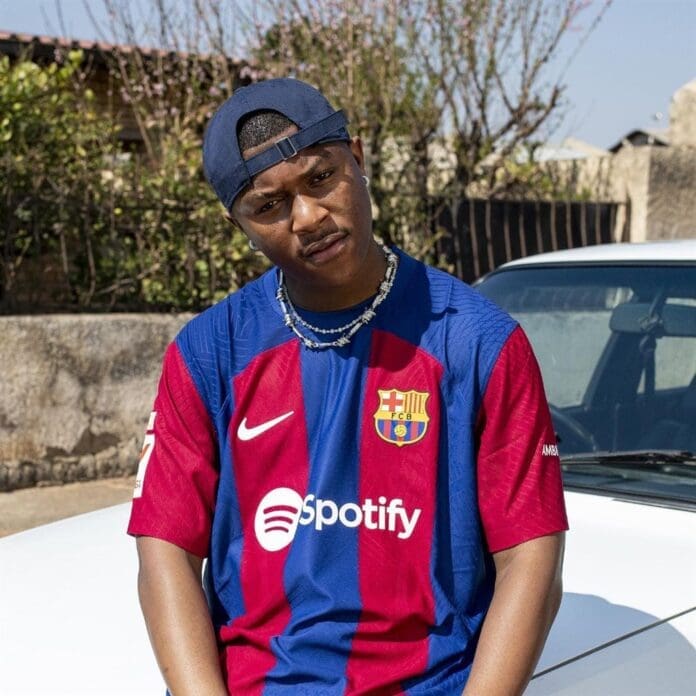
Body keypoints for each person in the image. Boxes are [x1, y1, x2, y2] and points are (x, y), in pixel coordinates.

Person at [128, 77, 568, 696]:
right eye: (269, 205)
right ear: (241, 225)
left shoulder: (479, 342)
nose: (308, 217)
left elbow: (532, 560)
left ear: (357, 160)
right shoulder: (208, 353)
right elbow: (164, 552)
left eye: (320, 178)